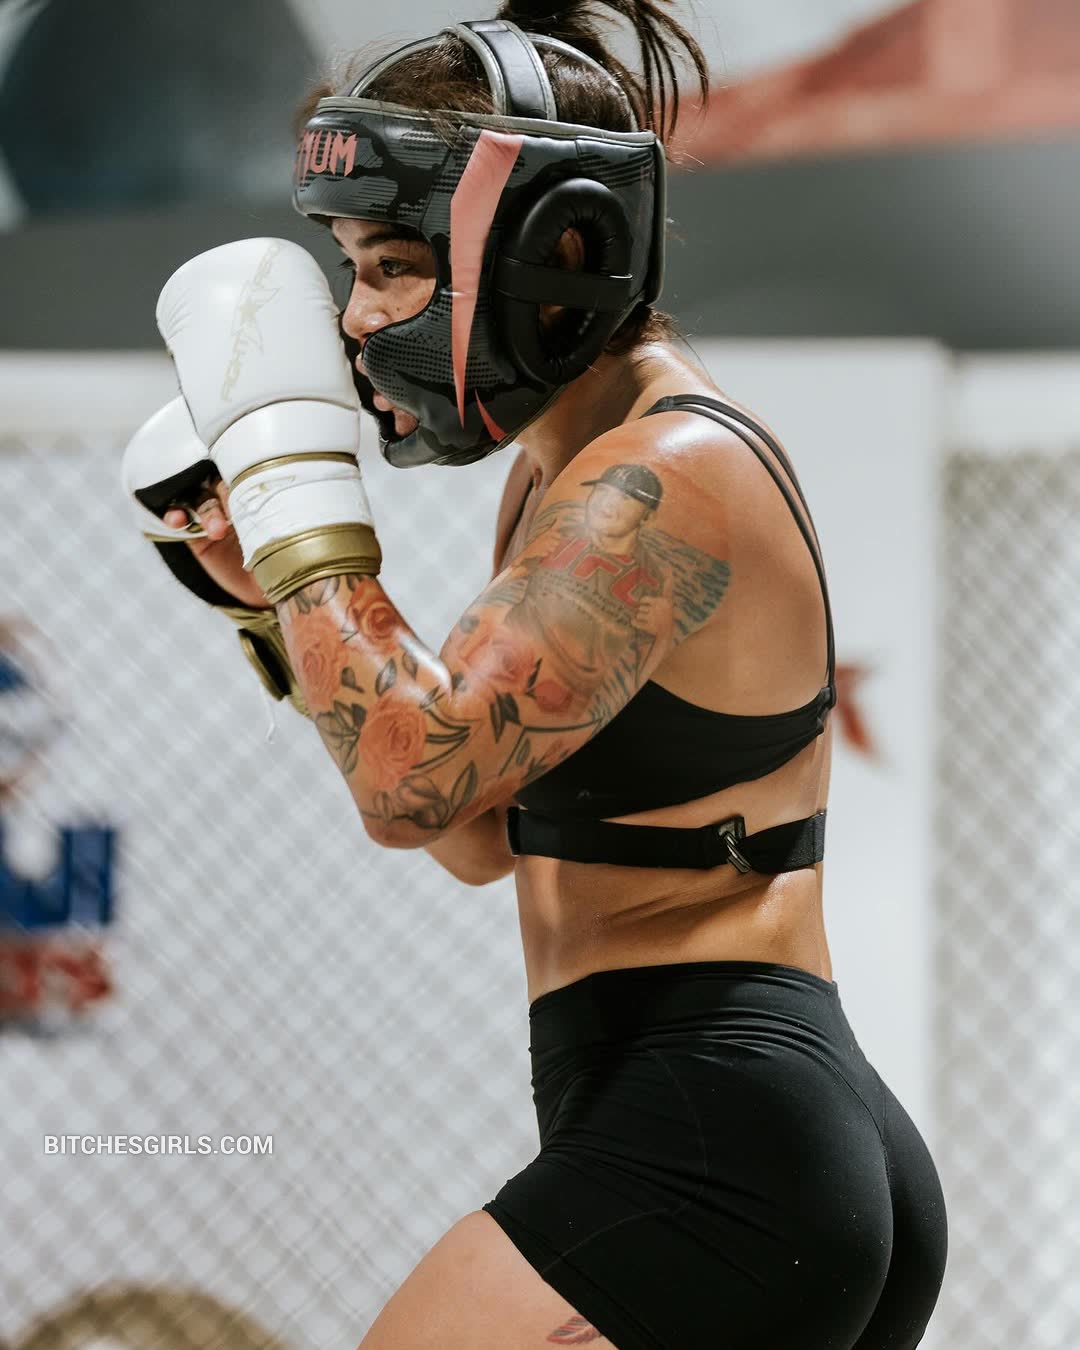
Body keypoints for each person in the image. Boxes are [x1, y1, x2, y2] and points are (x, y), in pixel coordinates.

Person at [123, 3, 948, 1345]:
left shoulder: (662, 479)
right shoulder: (560, 477)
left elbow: (408, 784)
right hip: (720, 1125)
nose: (356, 320)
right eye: (350, 269)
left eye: (393, 267)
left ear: (558, 246)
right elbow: (471, 832)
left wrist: (289, 497)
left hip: (717, 1141)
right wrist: (276, 607)